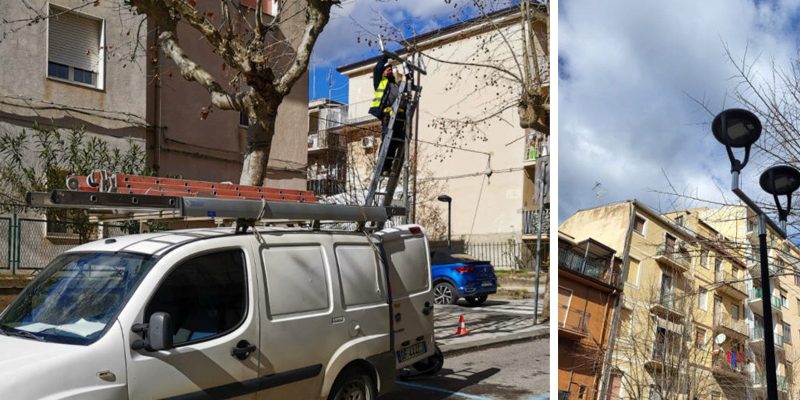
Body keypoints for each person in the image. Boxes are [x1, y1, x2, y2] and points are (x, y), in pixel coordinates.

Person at [368, 55, 406, 173]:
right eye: (387, 69)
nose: (390, 70)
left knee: (395, 142)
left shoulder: (396, 84)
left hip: (399, 117)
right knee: (387, 141)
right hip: (388, 116)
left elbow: (405, 87)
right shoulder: (380, 82)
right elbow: (377, 69)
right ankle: (382, 166)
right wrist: (385, 57)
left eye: (391, 69)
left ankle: (388, 167)